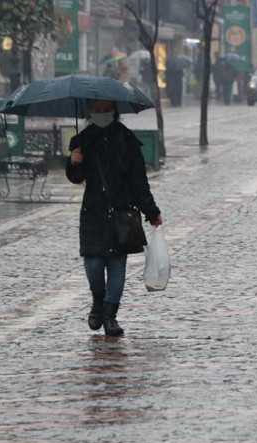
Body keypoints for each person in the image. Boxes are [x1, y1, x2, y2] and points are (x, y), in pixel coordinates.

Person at [66, 99, 163, 337]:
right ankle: (98, 301)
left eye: (106, 109)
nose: (102, 114)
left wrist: (151, 211)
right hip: (93, 212)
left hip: (122, 212)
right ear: (89, 112)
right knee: (94, 263)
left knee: (117, 267)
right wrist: (73, 162)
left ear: (114, 111)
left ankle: (110, 315)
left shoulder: (127, 140)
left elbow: (139, 182)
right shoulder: (82, 140)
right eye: (96, 110)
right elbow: (75, 177)